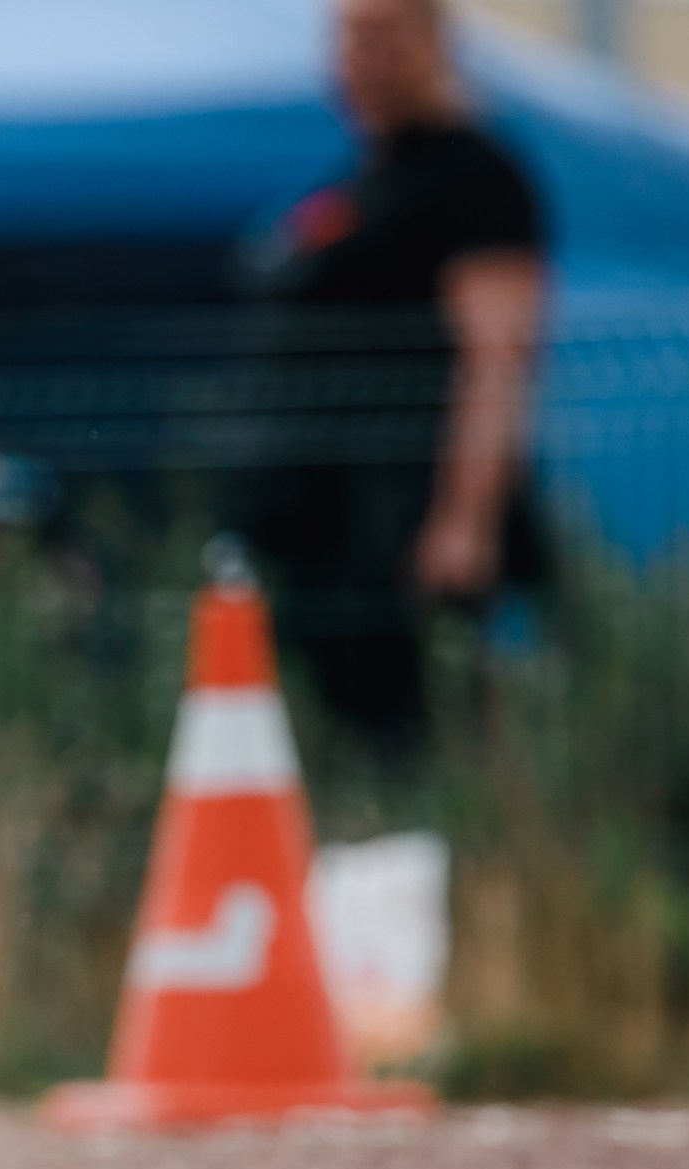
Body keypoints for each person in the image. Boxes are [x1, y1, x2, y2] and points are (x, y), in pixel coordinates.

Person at [238, 0, 552, 747]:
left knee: (414, 736)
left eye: (378, 37)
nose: (356, 58)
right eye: (346, 37)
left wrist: (463, 523)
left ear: (433, 40)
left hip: (402, 523)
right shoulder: (366, 175)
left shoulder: (479, 175)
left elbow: (499, 360)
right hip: (322, 525)